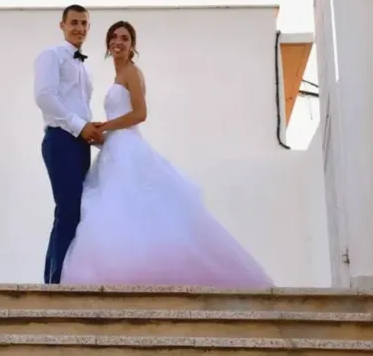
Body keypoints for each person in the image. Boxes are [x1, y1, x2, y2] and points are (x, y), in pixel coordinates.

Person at [60, 21, 274, 288]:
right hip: (115, 148)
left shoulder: (131, 72)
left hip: (127, 149)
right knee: (119, 211)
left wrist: (107, 125)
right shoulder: (118, 76)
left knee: (130, 207)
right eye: (114, 37)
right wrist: (100, 135)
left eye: (125, 38)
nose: (118, 41)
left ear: (132, 45)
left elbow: (140, 114)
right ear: (107, 44)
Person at [33, 4, 104, 284]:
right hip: (61, 140)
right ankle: (56, 282)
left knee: (72, 212)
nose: (79, 28)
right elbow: (45, 97)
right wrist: (79, 126)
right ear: (62, 25)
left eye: (84, 23)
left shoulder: (83, 66)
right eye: (74, 22)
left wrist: (95, 132)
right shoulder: (51, 55)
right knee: (68, 210)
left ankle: (58, 279)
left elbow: (80, 108)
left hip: (79, 144)